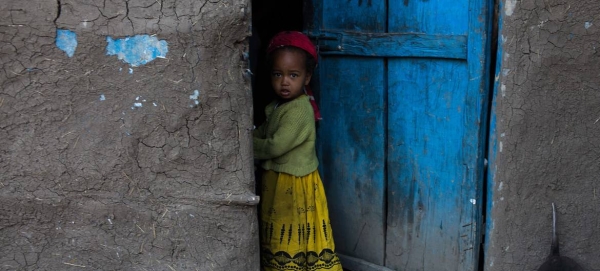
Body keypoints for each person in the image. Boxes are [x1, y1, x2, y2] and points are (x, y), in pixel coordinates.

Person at [253, 31, 343, 271]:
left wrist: (244, 147)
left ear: (306, 77)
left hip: (293, 185)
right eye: (278, 74)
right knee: (282, 227)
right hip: (280, 182)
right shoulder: (279, 106)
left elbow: (275, 145)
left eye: (293, 75)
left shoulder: (299, 111)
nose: (285, 82)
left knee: (291, 228)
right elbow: (264, 130)